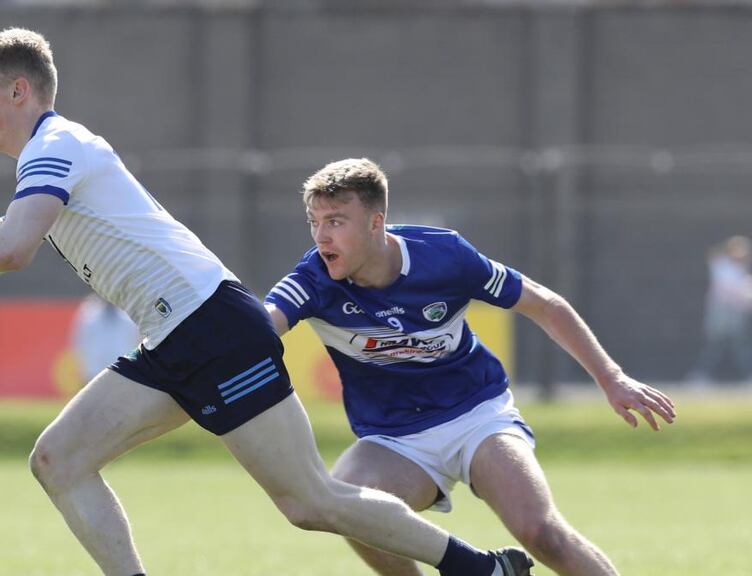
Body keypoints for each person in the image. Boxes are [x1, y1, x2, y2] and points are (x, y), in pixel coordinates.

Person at [0, 28, 532, 576]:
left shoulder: (57, 145)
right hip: (176, 333)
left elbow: (9, 250)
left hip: (212, 324)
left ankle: (477, 567)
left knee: (309, 502)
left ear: (18, 92)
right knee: (58, 460)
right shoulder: (44, 157)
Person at [264, 158, 677, 576]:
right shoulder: (314, 278)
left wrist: (612, 378)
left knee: (541, 534)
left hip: (477, 416)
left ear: (376, 222)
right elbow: (264, 325)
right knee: (351, 507)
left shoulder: (444, 256)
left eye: (335, 221)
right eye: (313, 222)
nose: (321, 236)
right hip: (392, 439)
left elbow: (546, 306)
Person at [689, 235, 752, 384]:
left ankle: (748, 375)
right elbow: (731, 290)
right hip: (720, 312)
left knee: (740, 345)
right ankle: (699, 376)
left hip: (734, 313)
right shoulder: (722, 266)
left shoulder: (740, 271)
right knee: (715, 346)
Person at [71, 293, 141, 384]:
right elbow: (78, 341)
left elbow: (135, 342)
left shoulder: (127, 316)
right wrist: (82, 366)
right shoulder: (88, 314)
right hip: (94, 371)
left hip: (121, 372)